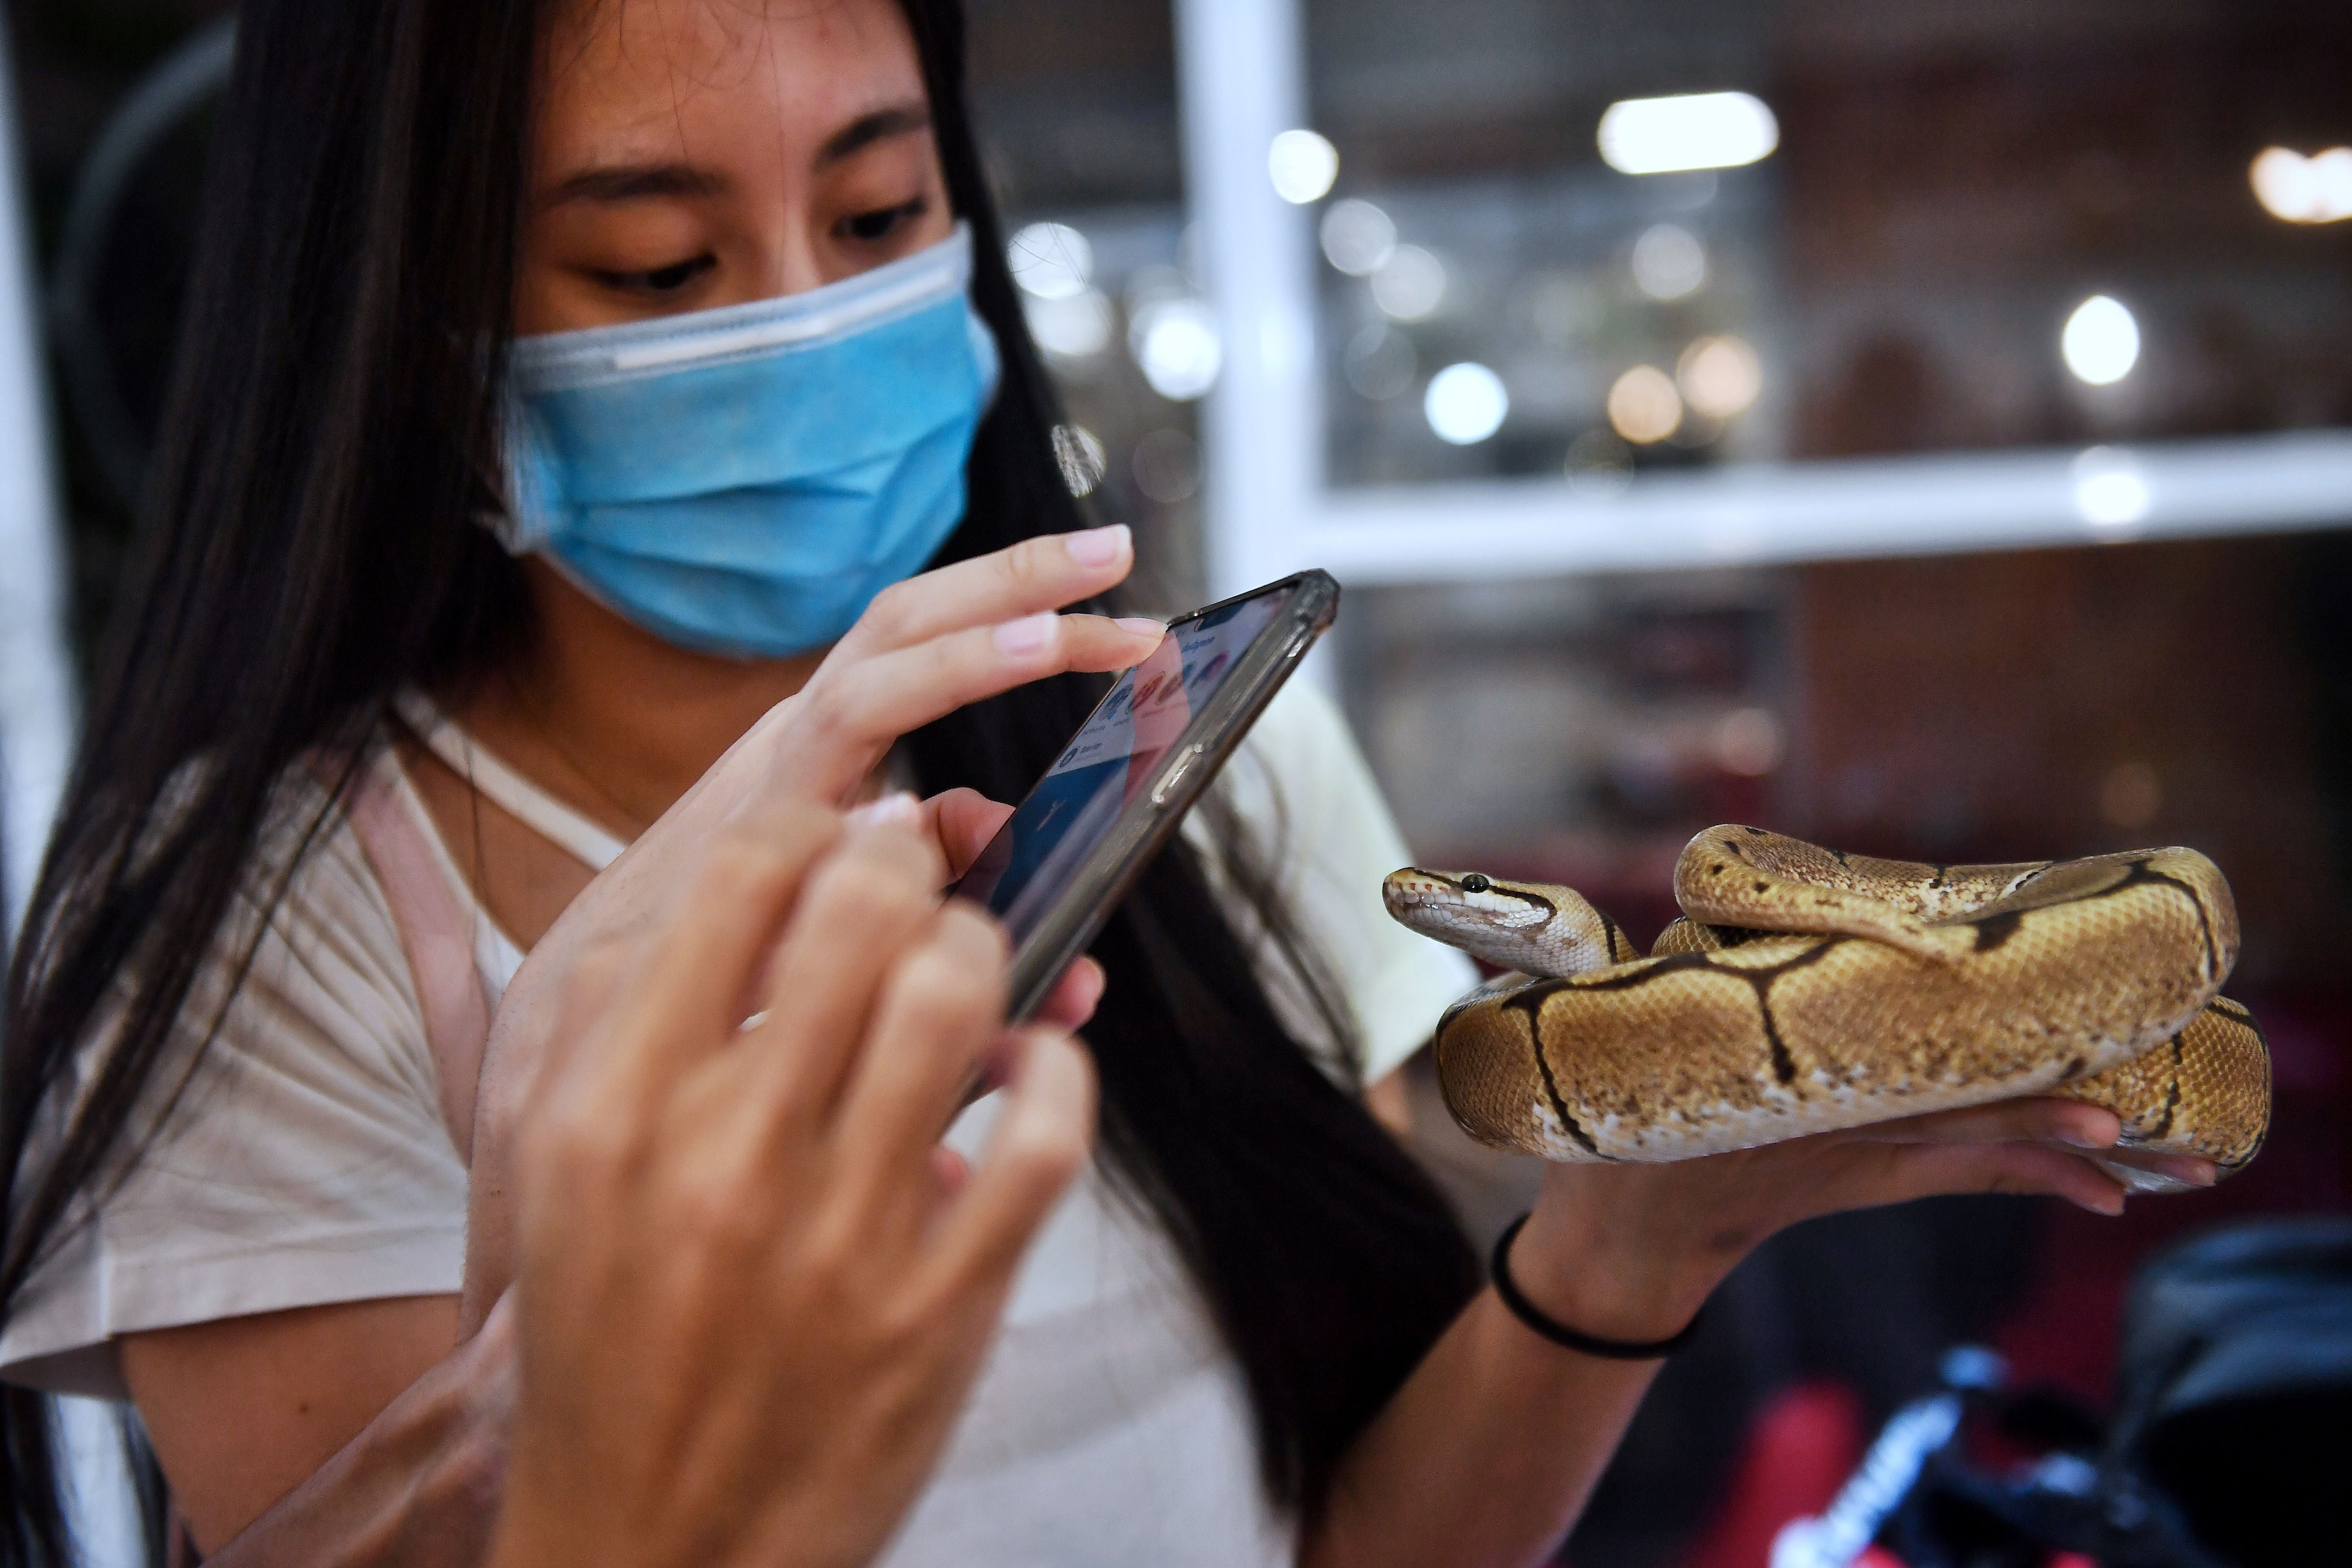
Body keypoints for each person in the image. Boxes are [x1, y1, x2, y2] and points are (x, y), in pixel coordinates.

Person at [0, 1, 2216, 1565]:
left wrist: (1631, 1248)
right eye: (657, 269)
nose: (802, 320)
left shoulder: (1168, 750)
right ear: (413, 321)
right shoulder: (267, 924)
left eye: (878, 218)